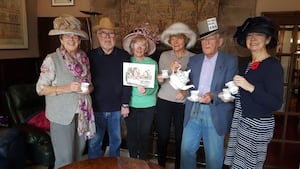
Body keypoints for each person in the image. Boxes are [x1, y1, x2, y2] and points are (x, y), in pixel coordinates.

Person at [223, 16, 284, 169]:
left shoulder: (272, 66)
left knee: (248, 165)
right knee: (237, 164)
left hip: (257, 125)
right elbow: (244, 95)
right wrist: (229, 95)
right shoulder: (246, 65)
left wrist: (250, 87)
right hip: (241, 121)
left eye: (259, 35)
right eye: (250, 35)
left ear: (268, 39)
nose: (253, 38)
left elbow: (275, 103)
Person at [36, 14, 95, 169]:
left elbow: (90, 85)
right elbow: (40, 89)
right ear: (61, 39)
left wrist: (88, 88)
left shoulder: (84, 58)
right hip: (61, 115)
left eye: (75, 36)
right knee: (65, 159)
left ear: (79, 40)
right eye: (67, 36)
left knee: (78, 155)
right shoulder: (52, 59)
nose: (71, 39)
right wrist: (66, 88)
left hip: (82, 114)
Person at [180, 17, 238, 169]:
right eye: (204, 39)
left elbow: (231, 90)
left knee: (213, 156)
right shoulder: (194, 60)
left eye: (211, 39)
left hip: (215, 111)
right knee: (186, 151)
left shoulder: (230, 61)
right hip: (193, 109)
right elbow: (186, 82)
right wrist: (176, 74)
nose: (206, 43)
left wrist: (212, 95)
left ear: (219, 41)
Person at [87, 17, 131, 158]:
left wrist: (125, 104)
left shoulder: (124, 56)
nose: (107, 37)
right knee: (94, 142)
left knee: (116, 142)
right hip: (96, 108)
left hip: (117, 109)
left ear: (116, 36)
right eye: (103, 33)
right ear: (98, 36)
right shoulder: (89, 56)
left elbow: (127, 82)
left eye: (111, 34)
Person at [156, 22, 197, 169]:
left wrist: (185, 92)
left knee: (181, 138)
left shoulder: (194, 58)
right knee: (163, 137)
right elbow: (160, 80)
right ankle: (160, 165)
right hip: (164, 100)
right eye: (172, 39)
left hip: (183, 104)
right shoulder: (164, 55)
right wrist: (169, 70)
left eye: (179, 38)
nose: (175, 42)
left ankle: (179, 166)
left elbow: (197, 83)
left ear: (185, 39)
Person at [122, 27, 159, 160]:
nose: (139, 48)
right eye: (136, 45)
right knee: (131, 134)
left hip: (148, 105)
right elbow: (123, 85)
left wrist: (146, 90)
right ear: (132, 47)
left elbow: (155, 86)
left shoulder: (152, 63)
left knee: (144, 134)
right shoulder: (126, 62)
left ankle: (143, 162)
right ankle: (132, 161)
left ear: (146, 48)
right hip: (130, 104)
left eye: (143, 45)